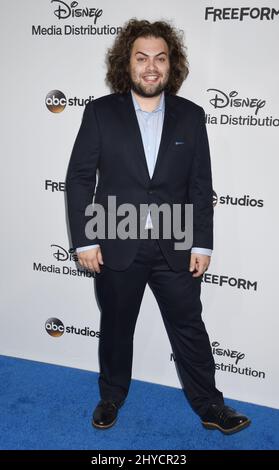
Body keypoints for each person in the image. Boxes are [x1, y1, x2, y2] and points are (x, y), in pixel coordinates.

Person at [66, 19, 251, 434]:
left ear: (172, 65)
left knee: (190, 327)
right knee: (116, 325)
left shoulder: (192, 116)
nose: (151, 67)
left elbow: (201, 185)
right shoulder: (100, 113)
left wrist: (202, 243)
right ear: (126, 64)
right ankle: (111, 397)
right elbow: (80, 179)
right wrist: (85, 239)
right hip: (115, 239)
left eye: (160, 58)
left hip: (178, 241)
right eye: (142, 57)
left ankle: (210, 406)